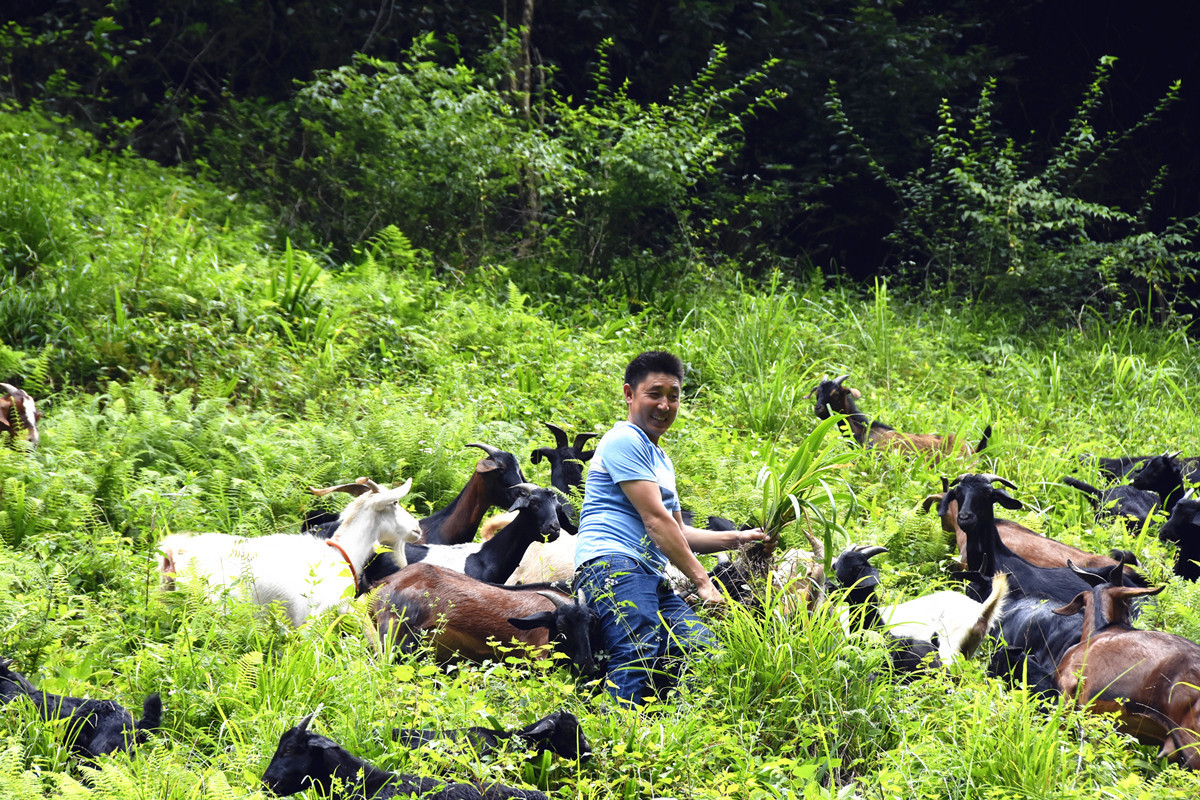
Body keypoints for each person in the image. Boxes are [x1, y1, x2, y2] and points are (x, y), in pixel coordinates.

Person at [573, 350, 766, 707]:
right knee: (637, 652)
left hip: (649, 575)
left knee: (705, 650)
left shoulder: (660, 458)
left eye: (673, 397)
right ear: (629, 394)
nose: (665, 405)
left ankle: (680, 736)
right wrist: (703, 582)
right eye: (655, 394)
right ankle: (617, 739)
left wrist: (740, 539)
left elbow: (680, 532)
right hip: (614, 565)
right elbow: (656, 521)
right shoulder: (623, 440)